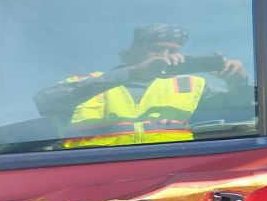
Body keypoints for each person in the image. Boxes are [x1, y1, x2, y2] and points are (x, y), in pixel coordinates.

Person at [34, 24, 248, 148]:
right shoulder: (89, 83)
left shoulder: (190, 85)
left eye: (172, 51)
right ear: (130, 52)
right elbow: (46, 102)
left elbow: (244, 110)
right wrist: (134, 72)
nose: (165, 56)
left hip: (168, 178)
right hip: (92, 181)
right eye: (156, 49)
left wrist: (237, 80)